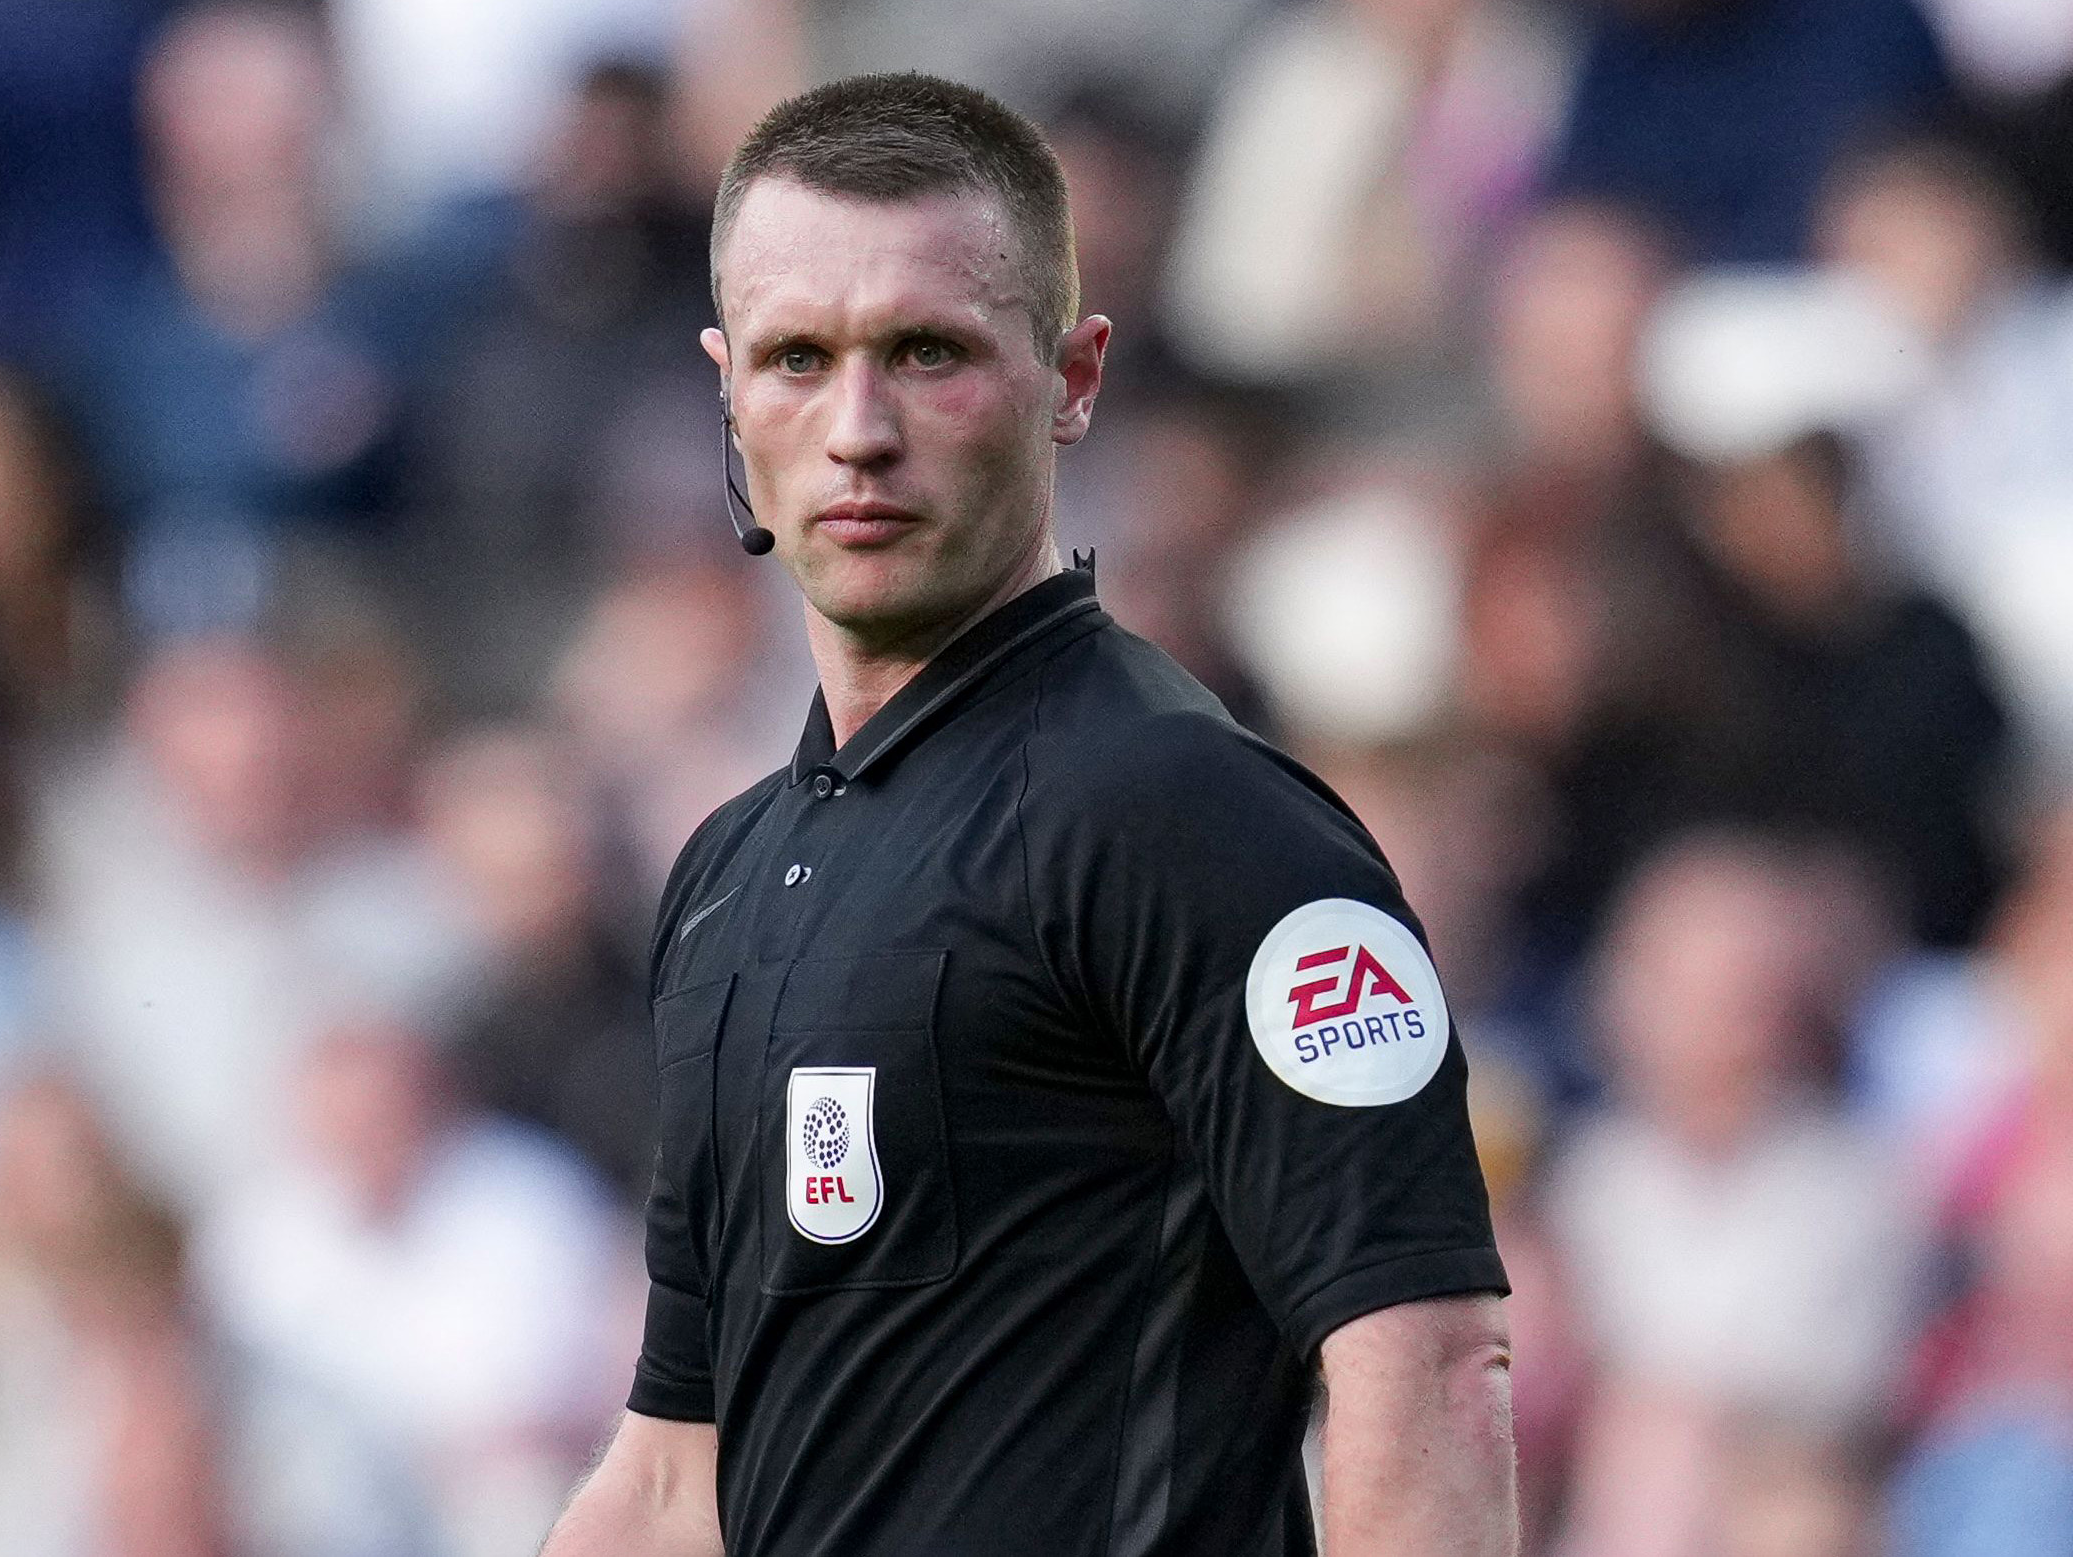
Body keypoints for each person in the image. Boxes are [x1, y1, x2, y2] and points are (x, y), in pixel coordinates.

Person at [538, 73, 1513, 1556]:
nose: (857, 427)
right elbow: (676, 1475)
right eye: (800, 357)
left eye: (927, 352)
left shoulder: (1193, 816)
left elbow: (1425, 1372)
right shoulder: (727, 875)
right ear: (728, 391)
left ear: (1074, 378)